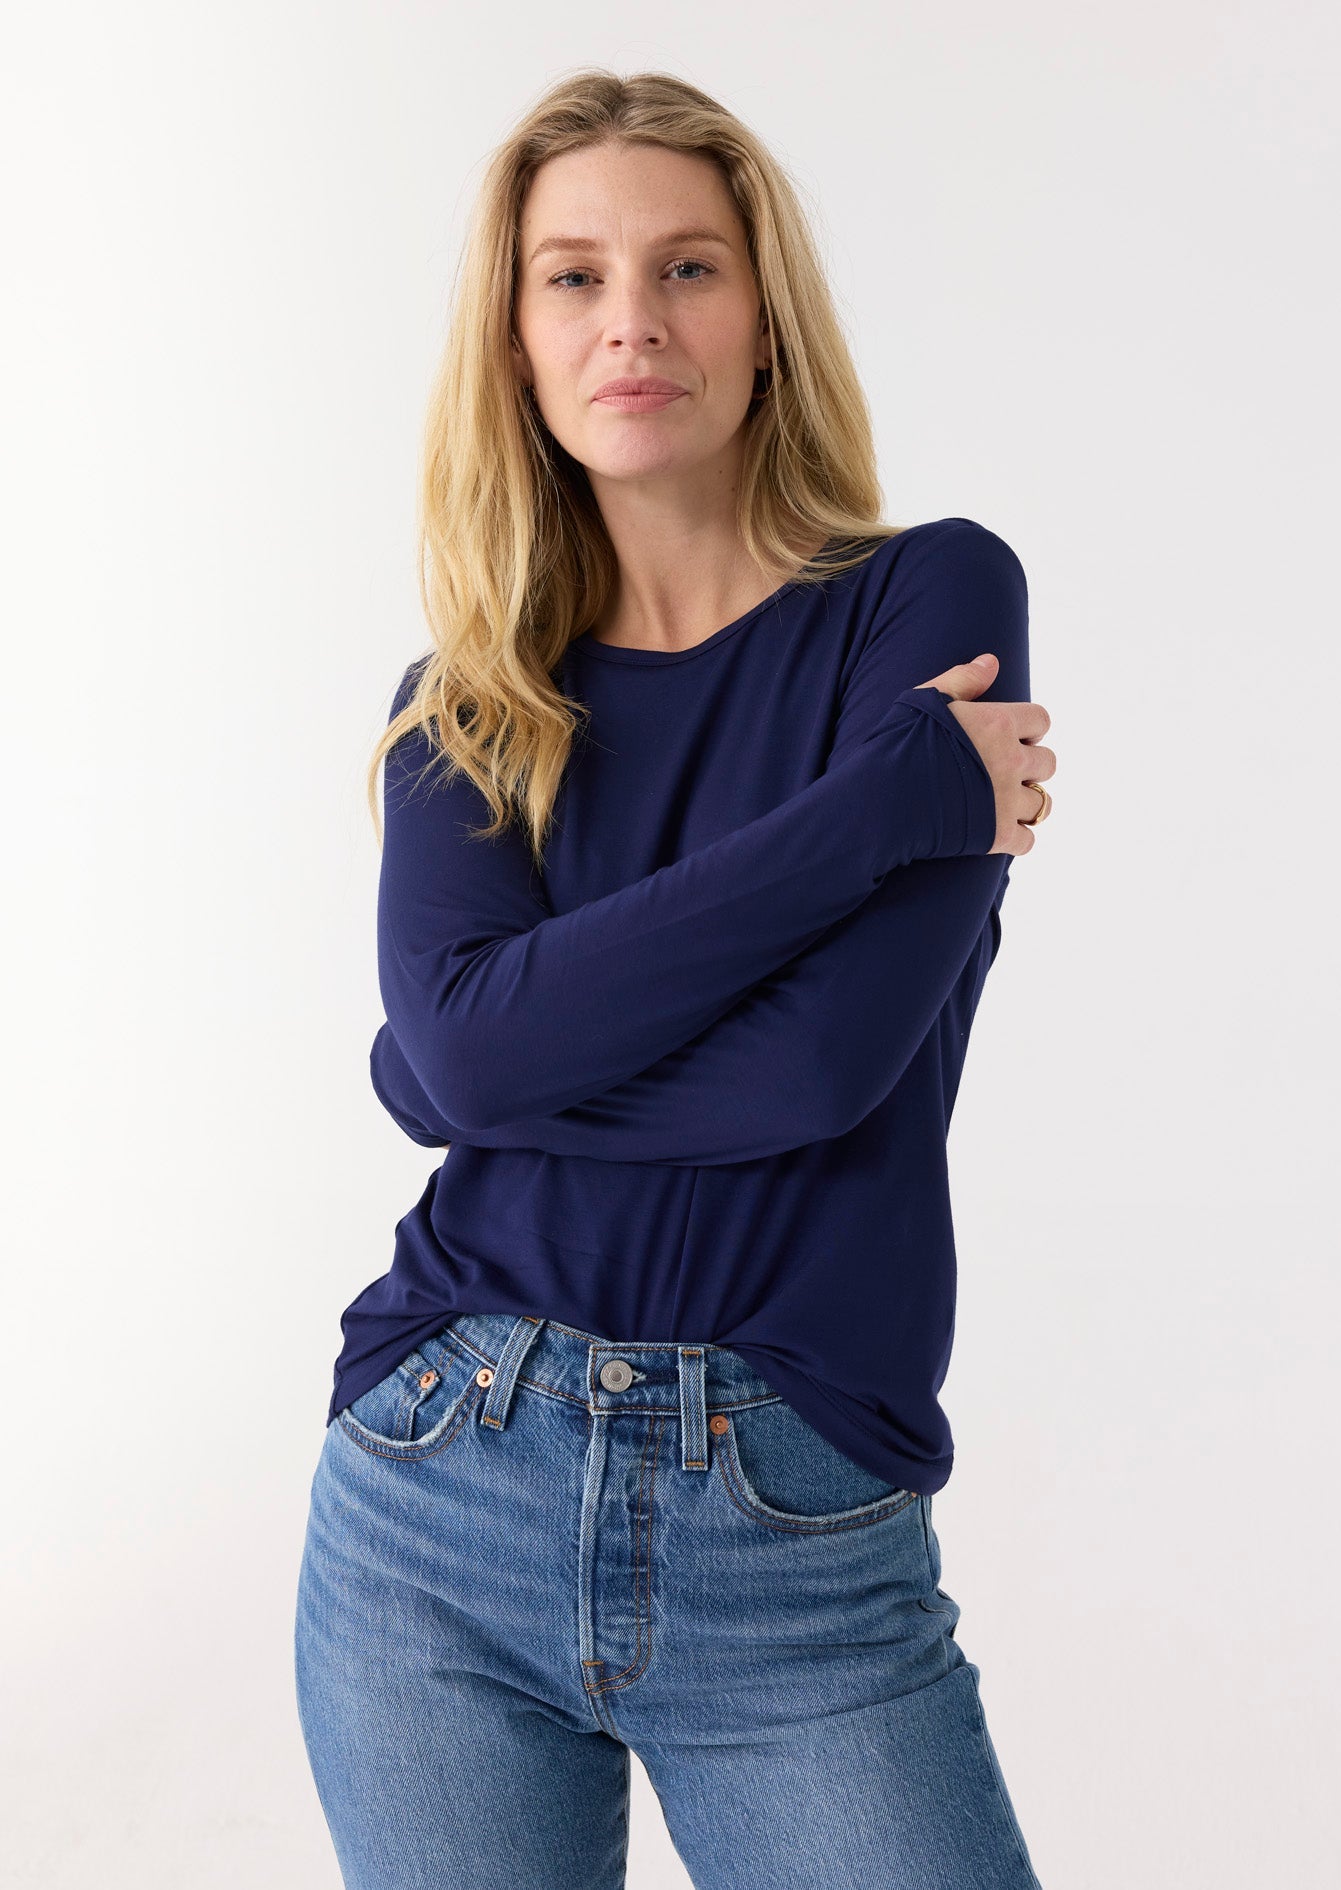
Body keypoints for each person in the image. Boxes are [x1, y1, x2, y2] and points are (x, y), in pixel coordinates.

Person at [294, 68, 1055, 1890]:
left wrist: (468, 1065)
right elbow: (470, 1066)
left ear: (765, 314)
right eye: (571, 277)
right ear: (519, 340)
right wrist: (881, 804)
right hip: (433, 1488)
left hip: (786, 1516)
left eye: (688, 267)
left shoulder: (926, 601)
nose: (631, 320)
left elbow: (816, 1073)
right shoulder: (463, 705)